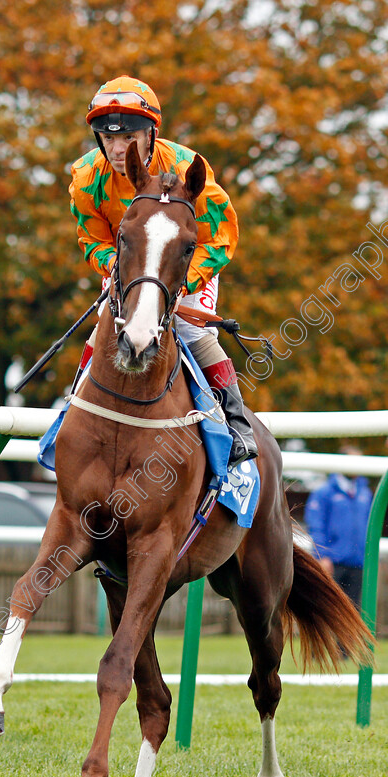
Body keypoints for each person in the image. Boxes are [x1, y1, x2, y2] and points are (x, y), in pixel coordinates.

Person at [68, 75, 257, 466]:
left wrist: (181, 283)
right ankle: (70, 411)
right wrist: (117, 267)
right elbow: (92, 239)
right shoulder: (86, 179)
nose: (118, 149)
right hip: (130, 265)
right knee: (107, 320)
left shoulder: (188, 169)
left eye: (129, 138)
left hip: (183, 263)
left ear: (152, 133)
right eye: (108, 138)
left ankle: (237, 422)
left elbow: (220, 237)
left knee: (188, 327)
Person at [304, 446, 373, 608]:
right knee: (328, 609)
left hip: (358, 563)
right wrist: (322, 556)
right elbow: (316, 526)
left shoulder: (365, 493)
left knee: (352, 612)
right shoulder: (324, 492)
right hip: (333, 562)